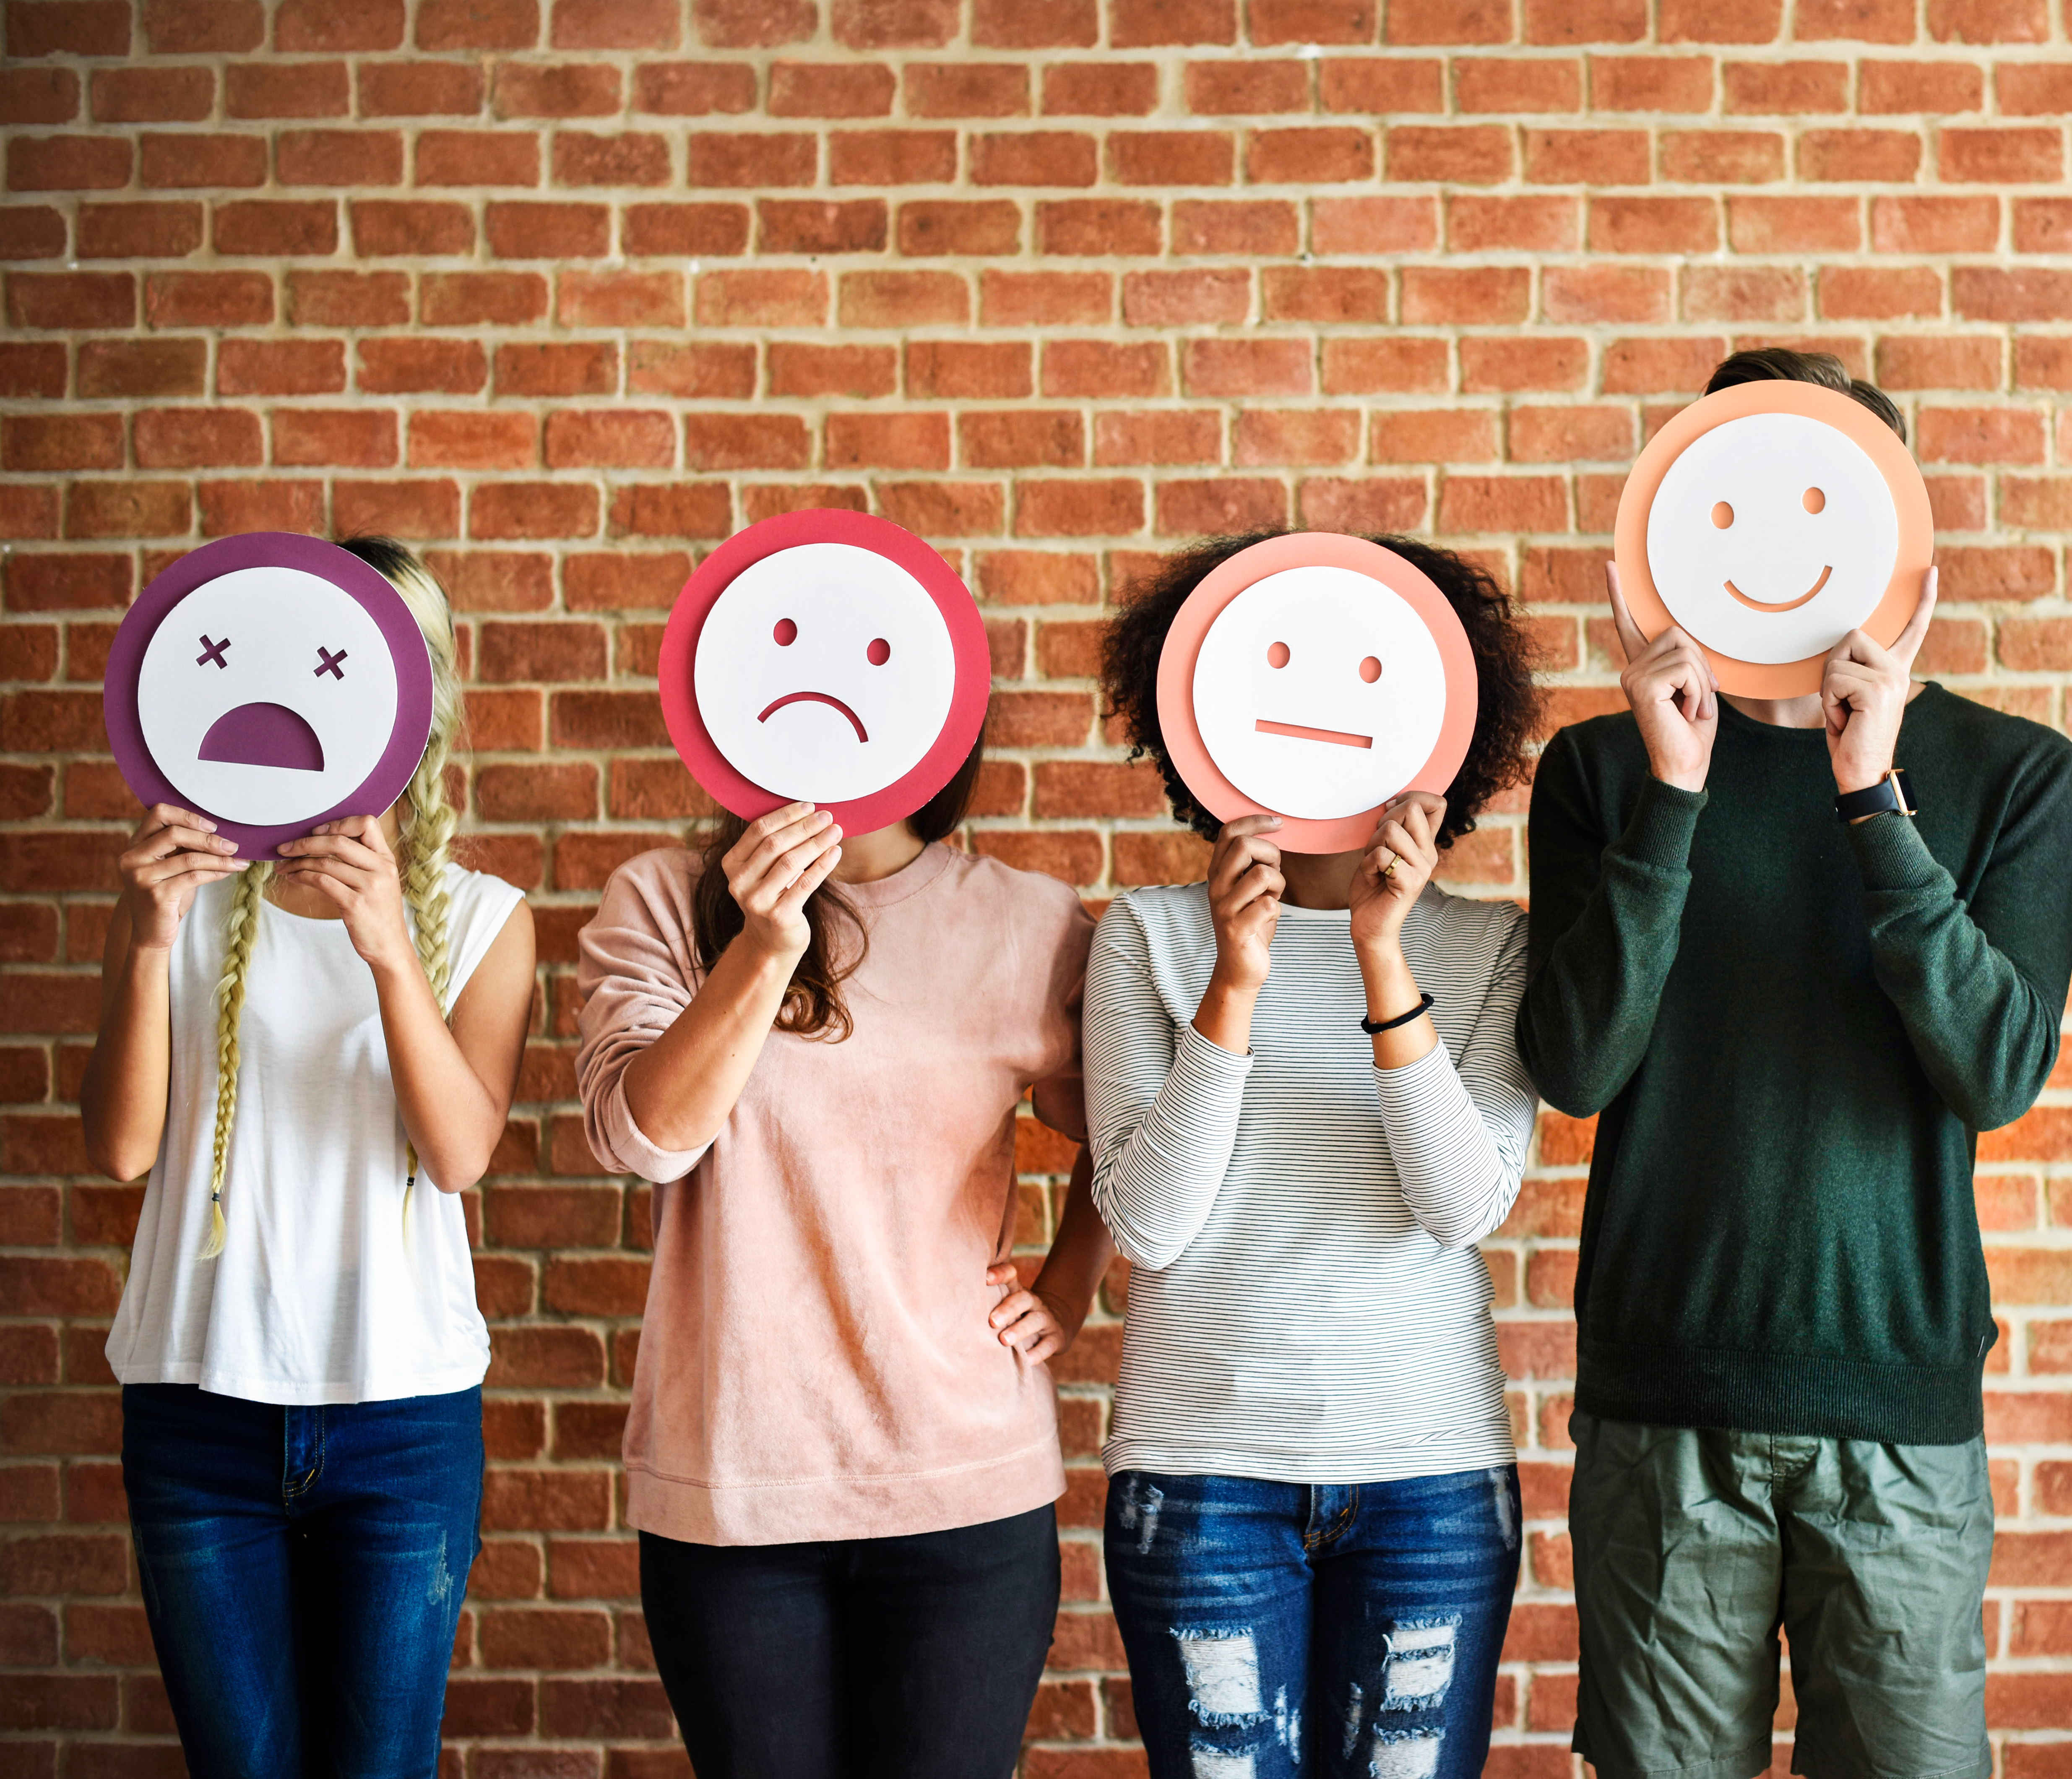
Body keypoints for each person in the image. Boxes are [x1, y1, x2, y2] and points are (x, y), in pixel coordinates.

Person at [1520, 348, 2072, 1779]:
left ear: (1895, 534)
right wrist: (1675, 791)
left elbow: (1997, 1073)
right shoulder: (1599, 772)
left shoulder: (2016, 774)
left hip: (1897, 1415)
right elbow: (1576, 1066)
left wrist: (1872, 794)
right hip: (1664, 1411)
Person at [1084, 532, 1541, 1779]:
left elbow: (1462, 1205)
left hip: (1428, 1483)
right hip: (1202, 1482)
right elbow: (1149, 1224)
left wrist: (1380, 955)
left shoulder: (1489, 946)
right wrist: (1237, 980)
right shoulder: (1147, 937)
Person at [84, 536, 536, 1778]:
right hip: (196, 1409)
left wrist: (388, 949)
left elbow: (459, 1154)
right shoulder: (180, 897)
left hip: (402, 1423)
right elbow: (119, 1150)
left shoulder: (484, 918)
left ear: (416, 706)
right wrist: (145, 941)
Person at [574, 740, 1110, 1779]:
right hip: (735, 1492)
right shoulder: (662, 900)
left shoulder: (1030, 923)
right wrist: (767, 944)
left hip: (964, 1495)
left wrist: (1069, 1286)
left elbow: (1138, 1129)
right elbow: (646, 1139)